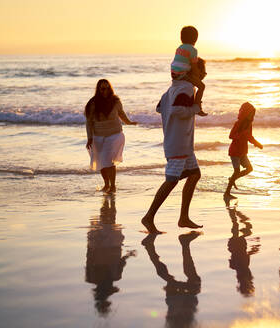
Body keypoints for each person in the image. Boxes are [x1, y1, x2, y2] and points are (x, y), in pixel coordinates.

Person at [141, 58, 207, 234]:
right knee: (171, 181)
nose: (204, 75)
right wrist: (194, 108)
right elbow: (178, 110)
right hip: (178, 144)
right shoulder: (185, 87)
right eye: (202, 72)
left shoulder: (173, 88)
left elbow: (159, 107)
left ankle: (183, 217)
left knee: (194, 175)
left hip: (181, 143)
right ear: (193, 72)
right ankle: (148, 217)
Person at [85, 79, 137, 193]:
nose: (106, 91)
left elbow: (121, 113)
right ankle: (106, 184)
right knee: (101, 162)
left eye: (108, 88)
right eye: (103, 89)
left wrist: (129, 122)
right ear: (98, 90)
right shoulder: (93, 103)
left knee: (108, 161)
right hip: (98, 136)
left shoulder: (115, 101)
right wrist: (89, 138)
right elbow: (89, 122)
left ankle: (113, 186)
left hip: (114, 135)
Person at [224, 102, 263, 199]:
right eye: (250, 113)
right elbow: (231, 135)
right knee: (237, 171)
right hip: (235, 152)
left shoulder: (249, 125)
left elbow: (250, 137)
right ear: (245, 113)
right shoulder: (238, 123)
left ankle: (232, 179)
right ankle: (227, 193)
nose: (252, 116)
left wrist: (257, 143)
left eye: (253, 114)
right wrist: (241, 135)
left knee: (249, 169)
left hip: (242, 152)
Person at [171, 26, 207, 116]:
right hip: (182, 74)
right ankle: (198, 106)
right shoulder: (193, 50)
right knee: (202, 86)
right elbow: (194, 66)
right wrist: (198, 76)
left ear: (181, 38)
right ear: (195, 39)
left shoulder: (179, 48)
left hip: (174, 74)